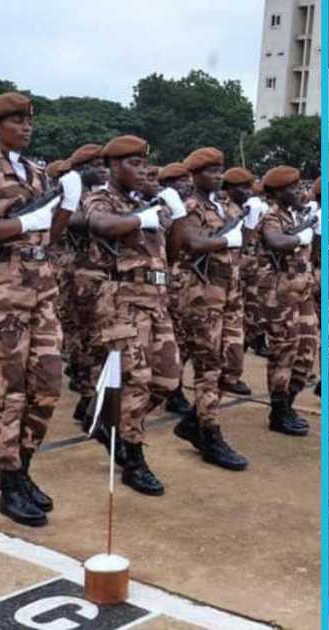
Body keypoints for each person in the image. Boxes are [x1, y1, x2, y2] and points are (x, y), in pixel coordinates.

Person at [0, 92, 82, 526]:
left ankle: (24, 466)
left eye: (29, 120)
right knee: (9, 391)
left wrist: (66, 206)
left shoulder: (36, 172)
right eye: (16, 120)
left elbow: (49, 236)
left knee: (49, 384)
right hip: (5, 294)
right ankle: (9, 480)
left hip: (43, 291)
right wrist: (20, 223)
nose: (26, 127)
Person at [82, 135, 178, 495]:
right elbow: (101, 226)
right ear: (114, 167)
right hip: (123, 299)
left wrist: (173, 214)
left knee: (168, 380)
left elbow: (176, 247)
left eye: (144, 163)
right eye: (134, 164)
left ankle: (108, 418)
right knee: (136, 380)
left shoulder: (146, 201)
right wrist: (142, 218)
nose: (143, 170)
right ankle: (133, 460)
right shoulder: (101, 198)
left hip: (156, 299)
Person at [168, 147, 250, 470]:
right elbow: (192, 243)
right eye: (210, 171)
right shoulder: (190, 206)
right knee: (209, 366)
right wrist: (226, 241)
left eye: (220, 170)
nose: (217, 176)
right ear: (195, 174)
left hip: (229, 293)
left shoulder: (227, 206)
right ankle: (209, 432)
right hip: (201, 295)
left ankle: (193, 421)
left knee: (232, 364)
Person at [259, 165, 316, 436]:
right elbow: (276, 241)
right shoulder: (272, 217)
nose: (299, 191)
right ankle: (278, 410)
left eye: (299, 186)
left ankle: (289, 403)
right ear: (276, 194)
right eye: (291, 188)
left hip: (303, 293)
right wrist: (298, 237)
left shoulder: (301, 215)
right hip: (281, 296)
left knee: (307, 352)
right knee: (284, 353)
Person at [53, 143, 105, 425]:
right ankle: (86, 396)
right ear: (82, 169)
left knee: (95, 338)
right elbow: (69, 221)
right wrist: (103, 220)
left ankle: (89, 397)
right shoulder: (71, 193)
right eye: (96, 165)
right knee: (80, 337)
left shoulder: (100, 195)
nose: (102, 170)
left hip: (97, 275)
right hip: (76, 274)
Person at [160, 161, 199, 416]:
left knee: (187, 341)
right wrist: (179, 213)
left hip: (194, 283)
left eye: (187, 180)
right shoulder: (164, 208)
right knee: (177, 340)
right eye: (179, 181)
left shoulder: (197, 206)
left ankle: (173, 390)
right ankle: (171, 392)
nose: (186, 184)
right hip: (173, 280)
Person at [217, 166, 256, 397]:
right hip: (220, 282)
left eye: (249, 186)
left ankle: (230, 375)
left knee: (236, 334)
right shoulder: (227, 212)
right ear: (230, 189)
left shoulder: (243, 210)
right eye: (242, 187)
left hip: (237, 282)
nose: (248, 191)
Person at [240, 176, 272, 359]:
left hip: (257, 257)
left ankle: (252, 338)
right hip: (254, 257)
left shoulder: (259, 204)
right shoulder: (254, 204)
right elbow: (250, 232)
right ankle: (256, 340)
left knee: (253, 300)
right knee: (255, 300)